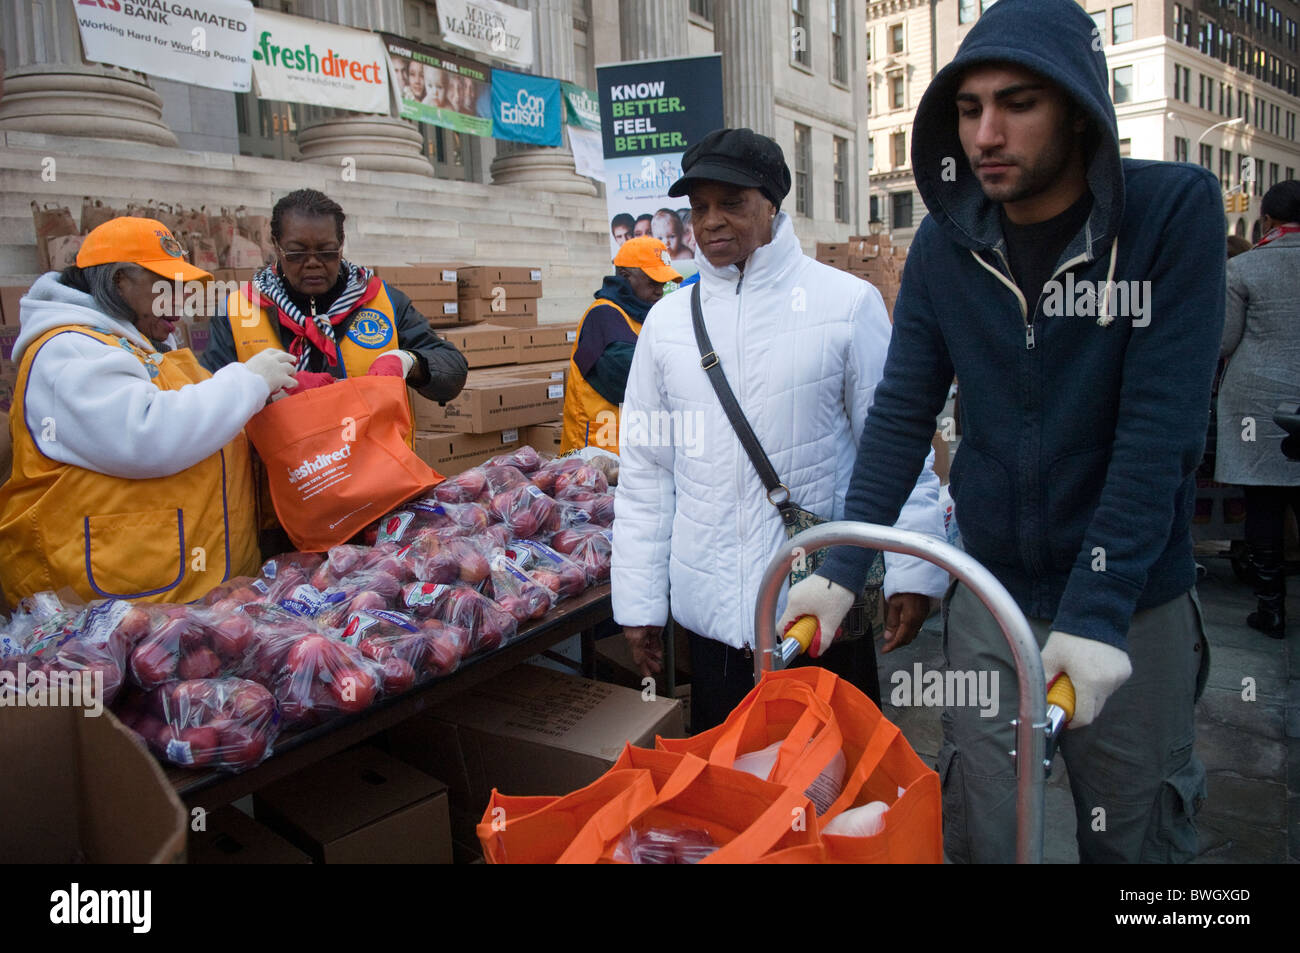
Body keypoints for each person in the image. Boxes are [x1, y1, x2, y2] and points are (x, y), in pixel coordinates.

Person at [784, 0, 1223, 863]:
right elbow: (904, 412)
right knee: (987, 821)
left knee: (1135, 831)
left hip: (1132, 596)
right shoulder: (948, 247)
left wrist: (1097, 608)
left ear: (1078, 108)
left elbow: (1160, 432)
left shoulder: (1172, 215)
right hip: (990, 589)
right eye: (969, 107)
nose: (986, 132)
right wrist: (843, 566)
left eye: (1019, 103)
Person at [612, 128, 948, 733]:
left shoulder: (847, 305)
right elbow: (646, 474)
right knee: (736, 802)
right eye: (700, 208)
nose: (711, 222)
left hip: (823, 610)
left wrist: (913, 571)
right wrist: (639, 603)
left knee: (835, 800)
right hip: (712, 627)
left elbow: (898, 450)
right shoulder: (665, 326)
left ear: (772, 203)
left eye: (732, 203)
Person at [0, 217, 298, 604]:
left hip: (175, 595)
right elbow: (148, 434)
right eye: (166, 286)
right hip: (105, 607)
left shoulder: (138, 342)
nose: (180, 300)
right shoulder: (68, 350)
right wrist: (248, 382)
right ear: (120, 280)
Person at [201, 189, 467, 404]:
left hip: (374, 464)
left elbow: (452, 371)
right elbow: (208, 398)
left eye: (327, 251)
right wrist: (259, 389)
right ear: (276, 245)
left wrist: (410, 362)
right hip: (278, 465)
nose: (313, 263)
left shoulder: (383, 301)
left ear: (341, 244)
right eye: (296, 253)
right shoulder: (237, 312)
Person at [1215, 180, 1300, 638]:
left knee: (1264, 500)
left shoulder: (1244, 268)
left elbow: (1224, 341)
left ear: (1266, 220)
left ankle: (1271, 610)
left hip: (1259, 402)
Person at [561, 236, 682, 455]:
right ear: (625, 276)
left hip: (626, 446)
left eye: (663, 284)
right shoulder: (604, 315)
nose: (659, 290)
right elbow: (633, 379)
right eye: (653, 282)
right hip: (598, 453)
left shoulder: (640, 315)